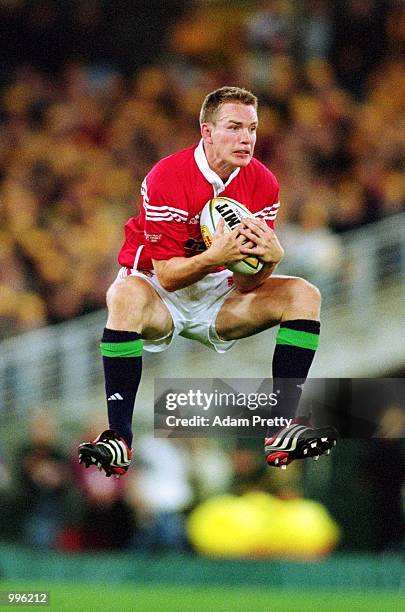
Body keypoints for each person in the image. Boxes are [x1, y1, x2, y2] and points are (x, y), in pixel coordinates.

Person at [78, 86, 337, 477]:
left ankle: (281, 427)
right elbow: (166, 273)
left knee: (304, 294)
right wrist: (217, 257)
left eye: (252, 128)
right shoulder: (168, 176)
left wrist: (269, 261)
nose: (246, 138)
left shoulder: (263, 183)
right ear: (207, 131)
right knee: (124, 294)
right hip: (159, 291)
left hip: (219, 294)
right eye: (234, 127)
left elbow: (249, 282)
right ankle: (120, 437)